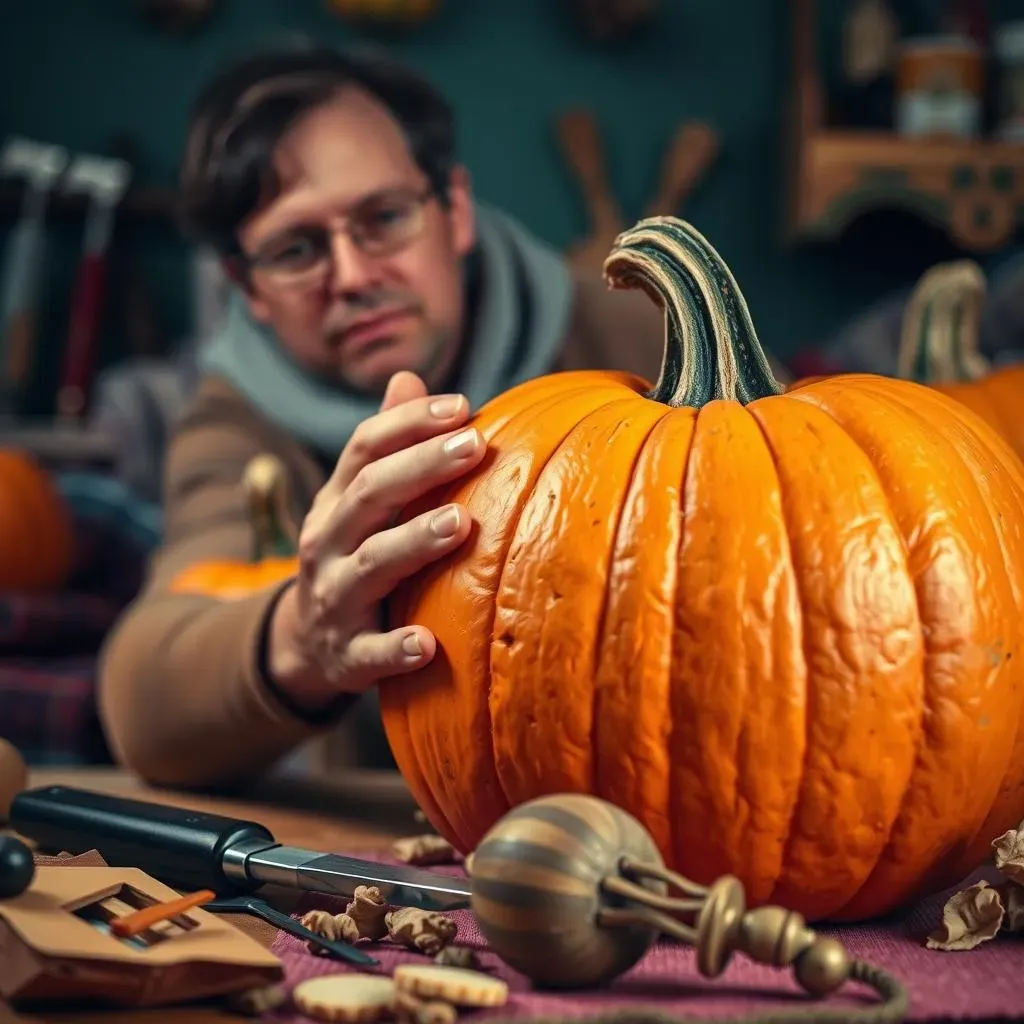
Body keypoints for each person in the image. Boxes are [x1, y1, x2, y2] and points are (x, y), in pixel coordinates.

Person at [97, 41, 787, 787]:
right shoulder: (237, 426)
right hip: (420, 839)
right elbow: (146, 703)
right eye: (296, 249)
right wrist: (303, 635)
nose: (353, 276)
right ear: (247, 287)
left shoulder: (643, 332)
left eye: (385, 216)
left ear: (454, 211)